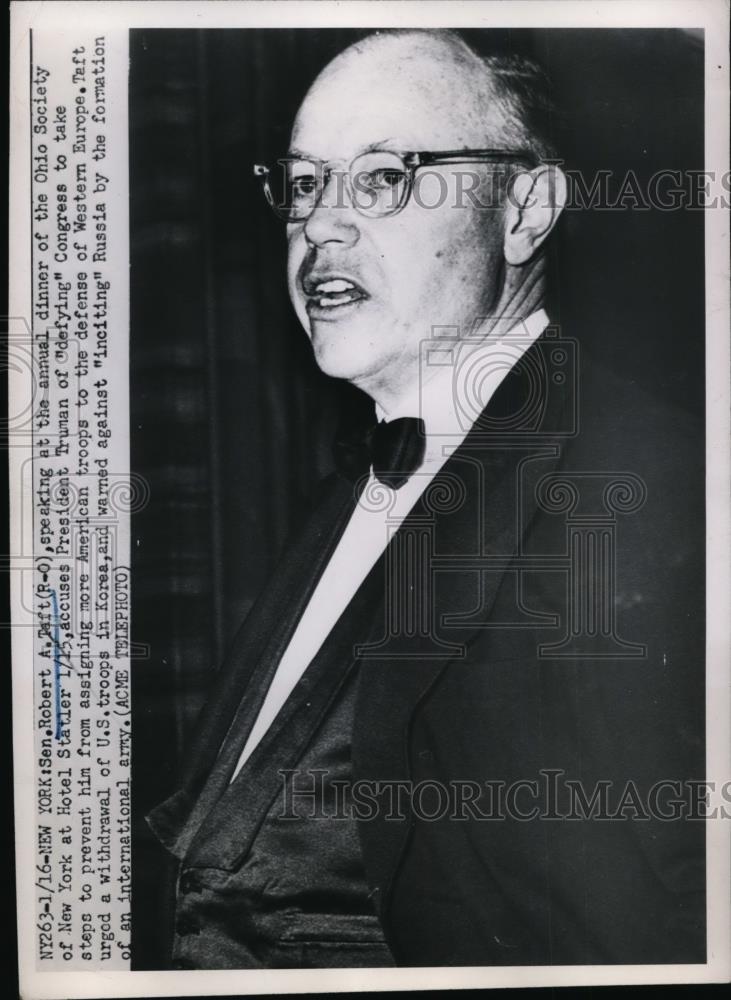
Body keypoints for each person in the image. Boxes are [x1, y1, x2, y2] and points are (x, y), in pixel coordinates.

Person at [147, 29, 705, 969]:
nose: (321, 224)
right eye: (304, 183)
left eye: (380, 178)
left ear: (525, 211)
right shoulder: (349, 485)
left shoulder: (645, 494)